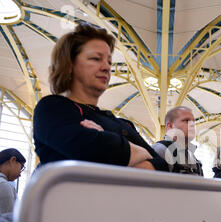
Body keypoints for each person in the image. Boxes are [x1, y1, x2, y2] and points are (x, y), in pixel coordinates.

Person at [33, 23, 168, 172]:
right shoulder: (52, 108)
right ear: (69, 64)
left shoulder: (124, 124)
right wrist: (140, 153)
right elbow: (87, 147)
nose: (106, 67)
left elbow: (162, 166)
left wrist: (106, 140)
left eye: (109, 62)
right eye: (96, 59)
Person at [152, 106, 203, 176]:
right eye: (186, 120)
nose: (192, 124)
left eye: (193, 122)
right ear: (170, 126)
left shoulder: (192, 157)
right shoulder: (161, 150)